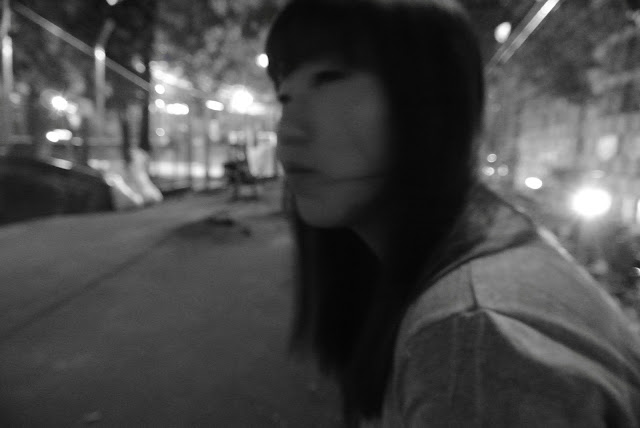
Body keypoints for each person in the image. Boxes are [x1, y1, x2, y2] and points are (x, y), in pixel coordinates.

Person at [264, 0, 640, 426]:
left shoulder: (474, 345)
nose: (287, 132)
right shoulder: (489, 244)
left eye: (328, 79)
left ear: (431, 100)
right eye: (285, 96)